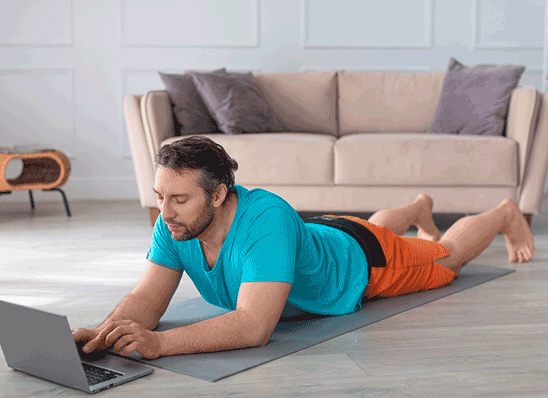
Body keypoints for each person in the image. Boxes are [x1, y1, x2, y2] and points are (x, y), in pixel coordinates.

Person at [72, 136, 534, 360]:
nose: (166, 212)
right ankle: (416, 207)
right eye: (160, 198)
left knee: (447, 258)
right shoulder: (177, 224)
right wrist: (105, 331)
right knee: (373, 226)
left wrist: (159, 344)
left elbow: (254, 326)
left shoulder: (266, 219)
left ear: (217, 195)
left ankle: (501, 215)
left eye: (178, 199)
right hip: (330, 234)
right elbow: (148, 300)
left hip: (364, 263)